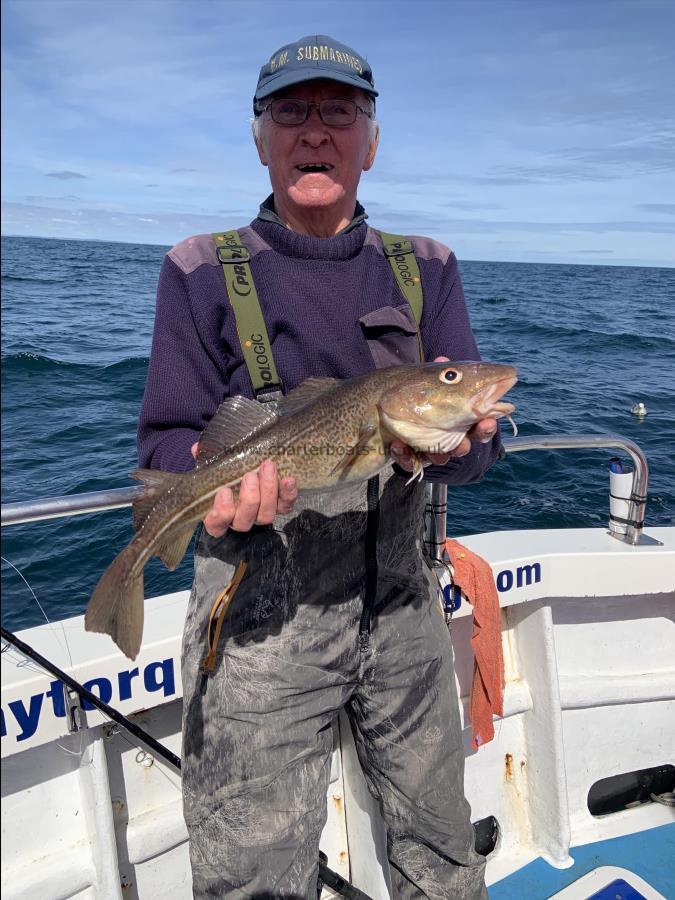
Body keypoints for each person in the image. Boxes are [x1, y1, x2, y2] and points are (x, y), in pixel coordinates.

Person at [138, 34, 499, 900]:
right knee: (254, 875)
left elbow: (477, 441)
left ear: (369, 140)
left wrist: (460, 446)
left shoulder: (429, 268)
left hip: (406, 603)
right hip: (257, 624)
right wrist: (212, 484)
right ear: (258, 136)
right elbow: (160, 446)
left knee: (444, 849)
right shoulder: (197, 269)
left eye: (339, 111)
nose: (315, 132)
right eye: (290, 111)